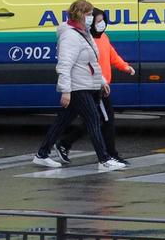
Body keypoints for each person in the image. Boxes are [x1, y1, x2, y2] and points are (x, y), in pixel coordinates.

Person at [31, 0, 122, 171]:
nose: (91, 18)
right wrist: (65, 91)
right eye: (88, 14)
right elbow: (64, 65)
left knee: (62, 121)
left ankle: (42, 154)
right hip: (78, 86)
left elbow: (92, 62)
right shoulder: (70, 36)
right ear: (79, 15)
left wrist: (102, 81)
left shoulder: (83, 33)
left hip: (85, 83)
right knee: (94, 119)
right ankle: (104, 160)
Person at [55, 9, 135, 166]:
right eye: (97, 21)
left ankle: (63, 143)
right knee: (105, 120)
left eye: (102, 20)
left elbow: (112, 56)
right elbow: (90, 65)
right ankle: (109, 155)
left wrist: (125, 67)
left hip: (100, 86)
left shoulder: (103, 37)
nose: (100, 24)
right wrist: (101, 82)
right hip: (93, 87)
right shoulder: (88, 40)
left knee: (93, 121)